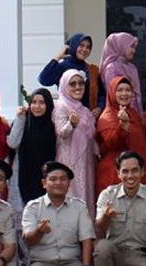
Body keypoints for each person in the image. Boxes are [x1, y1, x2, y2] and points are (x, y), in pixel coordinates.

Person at [94, 151, 146, 266]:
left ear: (142, 172)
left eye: (134, 170)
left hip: (140, 254)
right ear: (118, 173)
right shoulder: (108, 195)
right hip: (113, 251)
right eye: (125, 171)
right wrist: (106, 217)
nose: (130, 176)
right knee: (102, 247)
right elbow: (98, 228)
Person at [22, 161, 95, 266]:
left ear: (69, 183)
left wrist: (86, 264)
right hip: (42, 262)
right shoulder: (33, 207)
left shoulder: (80, 206)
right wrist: (39, 231)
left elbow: (86, 238)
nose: (58, 183)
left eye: (63, 179)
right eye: (53, 179)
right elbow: (29, 240)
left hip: (72, 262)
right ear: (44, 183)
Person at [54, 69, 98, 211]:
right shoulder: (61, 106)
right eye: (72, 84)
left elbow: (91, 135)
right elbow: (61, 133)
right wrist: (71, 124)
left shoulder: (84, 110)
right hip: (69, 161)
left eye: (81, 83)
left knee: (87, 194)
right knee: (72, 195)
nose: (78, 87)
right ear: (64, 86)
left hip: (87, 161)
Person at [97, 77, 146, 196]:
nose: (124, 94)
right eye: (119, 90)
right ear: (111, 93)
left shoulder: (133, 113)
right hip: (115, 176)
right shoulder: (107, 116)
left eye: (128, 90)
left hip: (134, 174)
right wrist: (122, 126)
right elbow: (112, 143)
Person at [8, 88, 58, 205]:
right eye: (34, 102)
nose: (37, 106)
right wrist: (19, 119)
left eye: (41, 102)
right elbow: (12, 143)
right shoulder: (24, 121)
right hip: (23, 175)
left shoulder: (53, 125)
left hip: (45, 177)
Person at [39, 33, 105, 115]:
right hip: (67, 117)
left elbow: (102, 93)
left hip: (88, 119)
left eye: (88, 47)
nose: (85, 49)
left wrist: (99, 107)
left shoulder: (92, 70)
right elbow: (43, 80)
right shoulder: (62, 66)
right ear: (73, 45)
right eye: (81, 45)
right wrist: (57, 57)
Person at [101, 32, 144, 114]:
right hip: (119, 115)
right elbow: (114, 97)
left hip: (135, 114)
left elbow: (138, 97)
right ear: (121, 46)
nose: (134, 51)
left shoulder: (132, 67)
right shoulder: (112, 68)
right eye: (131, 47)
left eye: (134, 47)